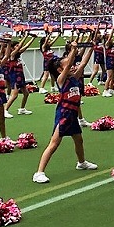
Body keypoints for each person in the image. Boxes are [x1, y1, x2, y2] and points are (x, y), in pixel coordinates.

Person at [32, 41, 96, 184]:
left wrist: (92, 47)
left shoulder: (74, 78)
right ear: (61, 70)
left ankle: (81, 162)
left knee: (79, 140)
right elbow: (68, 65)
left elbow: (84, 63)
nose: (73, 66)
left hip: (72, 116)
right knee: (54, 144)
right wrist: (73, 50)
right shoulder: (61, 80)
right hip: (64, 115)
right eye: (69, 65)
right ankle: (39, 172)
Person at [4, 33, 36, 118]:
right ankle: (5, 109)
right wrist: (25, 36)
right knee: (15, 94)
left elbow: (25, 46)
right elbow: (20, 47)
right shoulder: (12, 55)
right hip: (14, 76)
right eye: (16, 45)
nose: (18, 46)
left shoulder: (18, 55)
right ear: (12, 47)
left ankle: (22, 109)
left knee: (26, 93)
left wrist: (32, 39)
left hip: (20, 76)